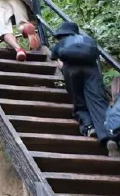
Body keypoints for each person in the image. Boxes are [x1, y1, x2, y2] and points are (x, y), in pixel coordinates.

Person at [49, 21, 115, 156]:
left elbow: (53, 56)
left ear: (63, 34)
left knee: (79, 100)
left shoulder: (63, 42)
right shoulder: (88, 40)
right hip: (91, 70)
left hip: (71, 70)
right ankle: (108, 137)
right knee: (97, 101)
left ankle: (89, 126)